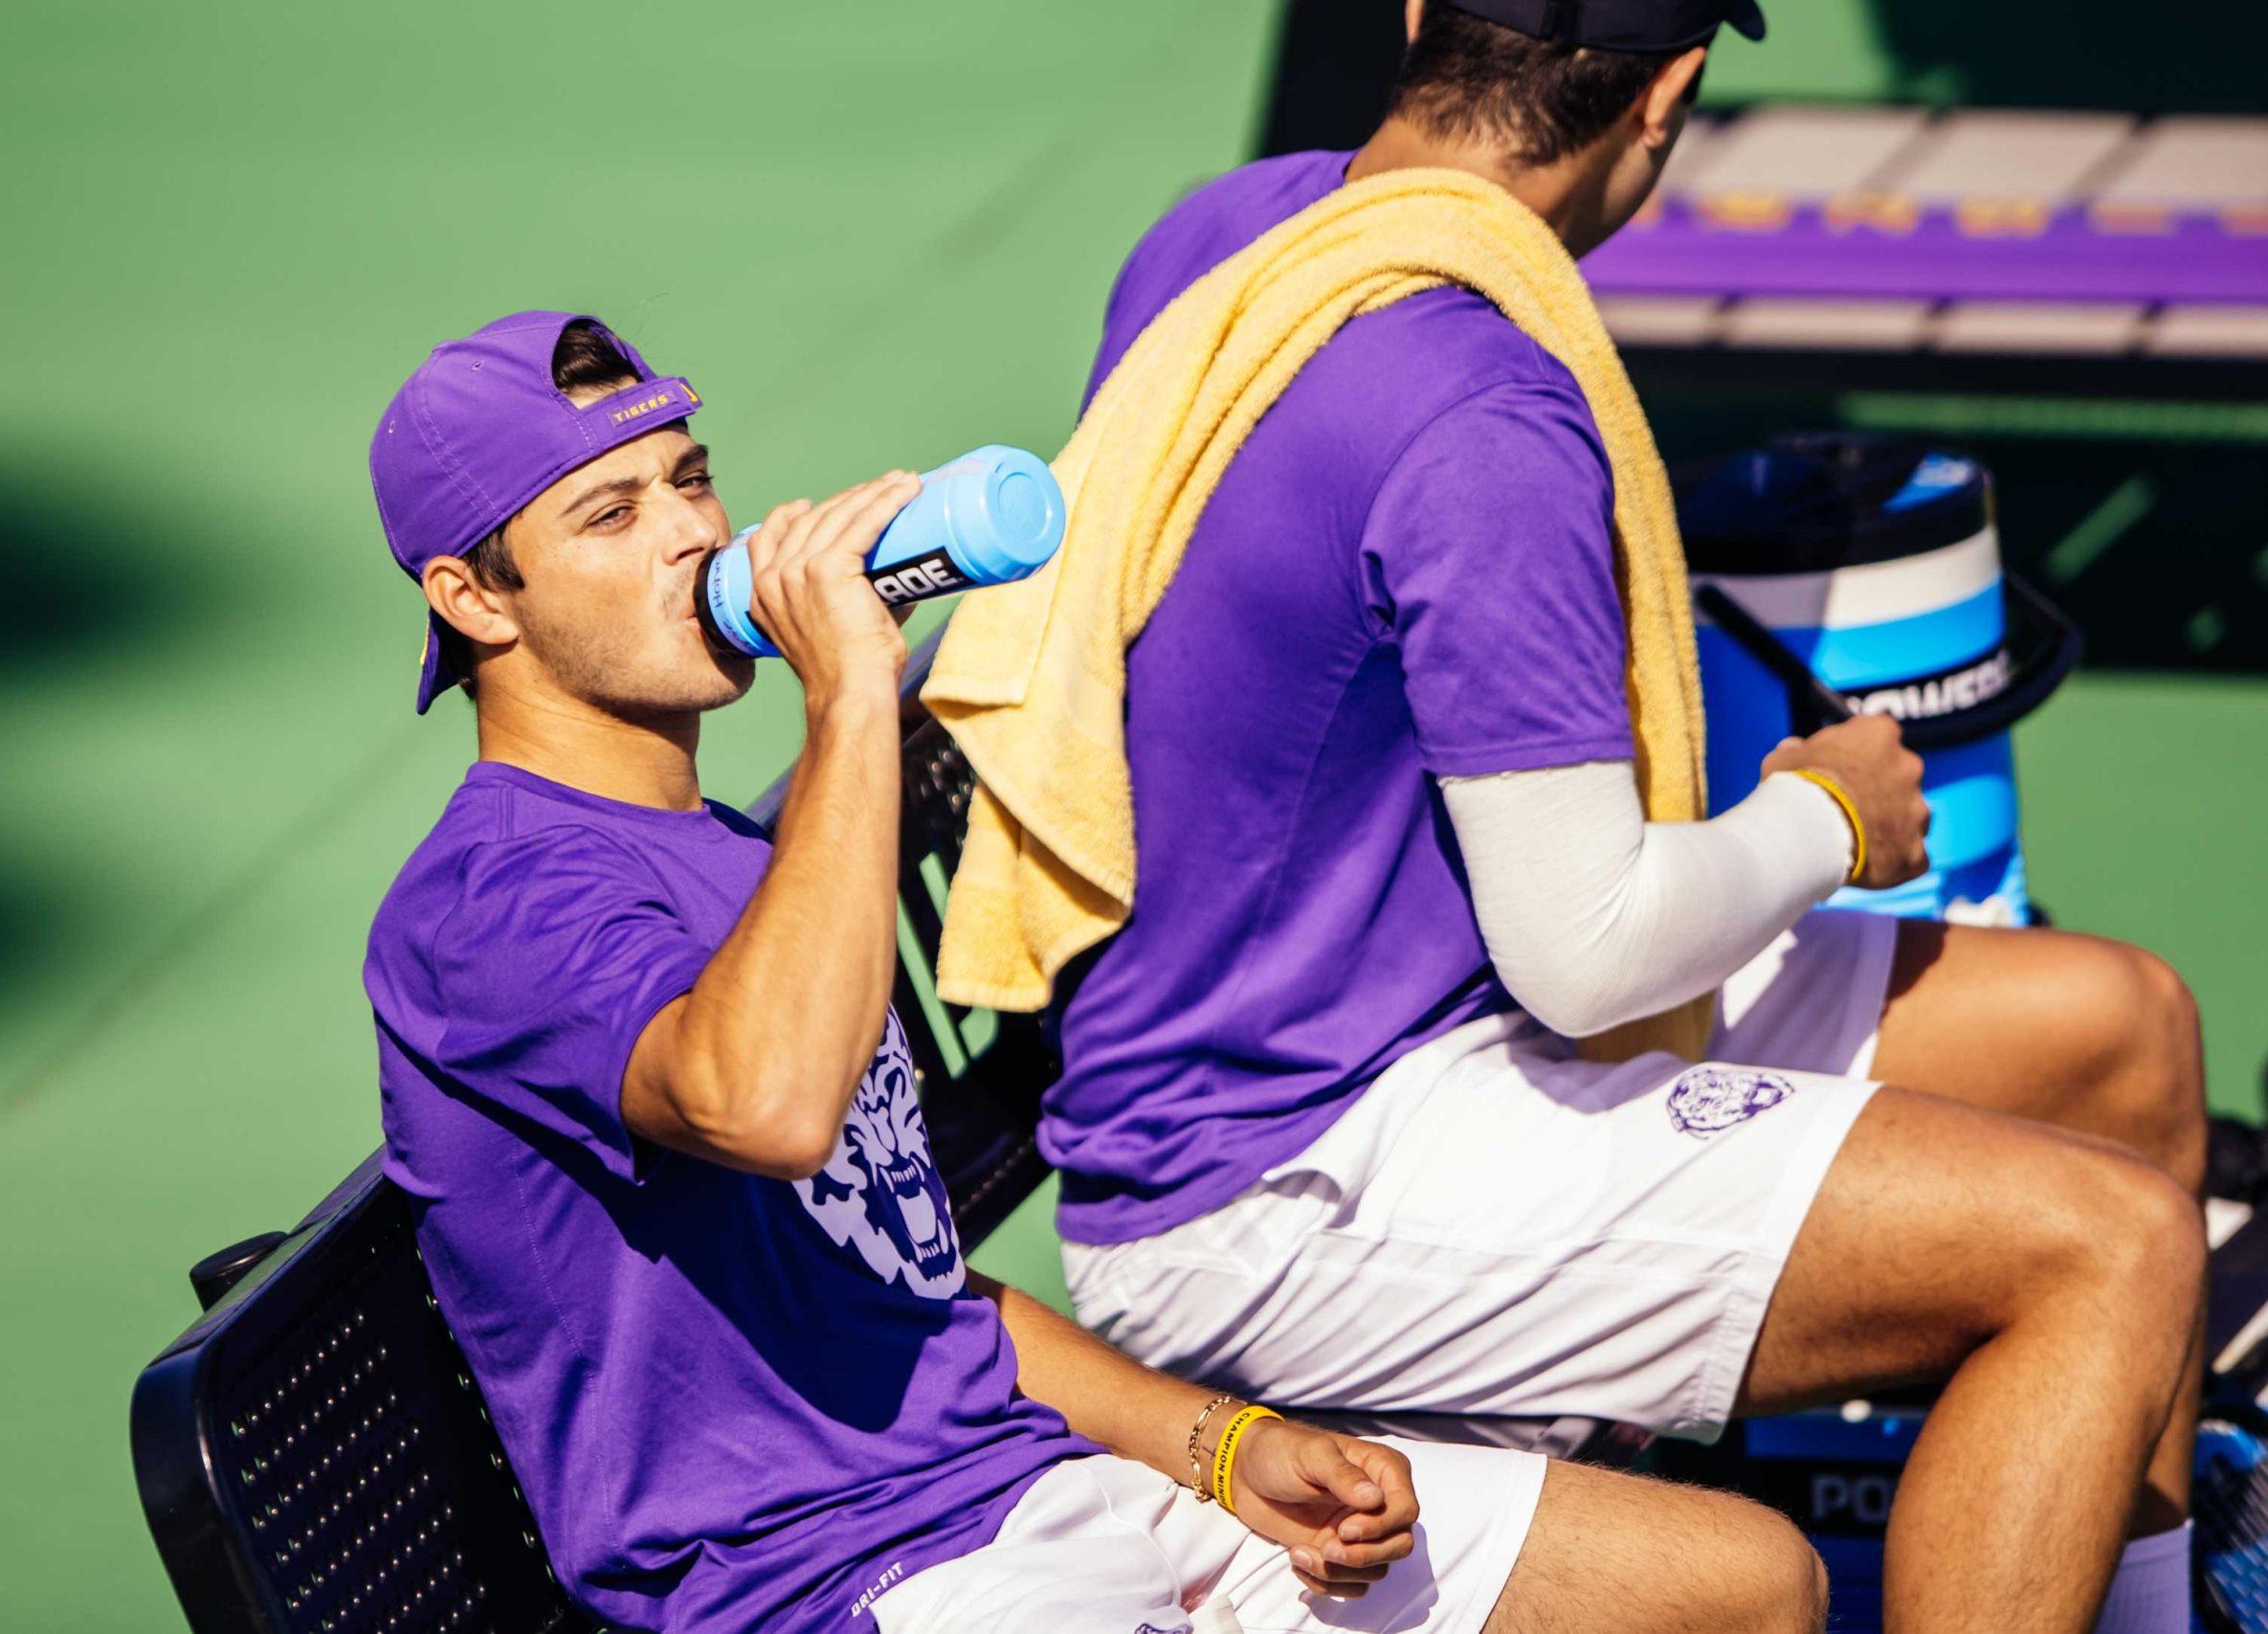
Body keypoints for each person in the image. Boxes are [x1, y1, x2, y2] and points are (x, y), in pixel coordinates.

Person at [359, 310, 1836, 1633]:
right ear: (475, 599)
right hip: (850, 1585)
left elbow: (916, 1290)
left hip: (1044, 1498)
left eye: (690, 479)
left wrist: (1231, 1449)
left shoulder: (742, 860)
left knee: (1742, 1584)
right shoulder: (487, 903)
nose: (689, 534)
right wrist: (854, 693)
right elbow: (768, 1106)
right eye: (610, 514)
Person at [1041, 5, 2211, 1632]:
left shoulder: (1233, 231)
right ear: (1665, 101)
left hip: (1364, 1015)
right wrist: (1823, 813)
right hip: (1281, 1172)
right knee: (2113, 1245)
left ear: (1413, 23)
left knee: (2121, 1030)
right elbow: (1591, 953)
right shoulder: (1488, 422)